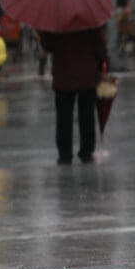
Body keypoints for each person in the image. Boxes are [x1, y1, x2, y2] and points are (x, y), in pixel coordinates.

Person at [37, 27, 108, 165]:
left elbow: (48, 45)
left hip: (64, 74)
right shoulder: (90, 19)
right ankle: (86, 152)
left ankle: (65, 154)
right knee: (87, 116)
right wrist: (103, 63)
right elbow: (99, 45)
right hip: (87, 74)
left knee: (64, 117)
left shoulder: (56, 20)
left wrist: (42, 33)